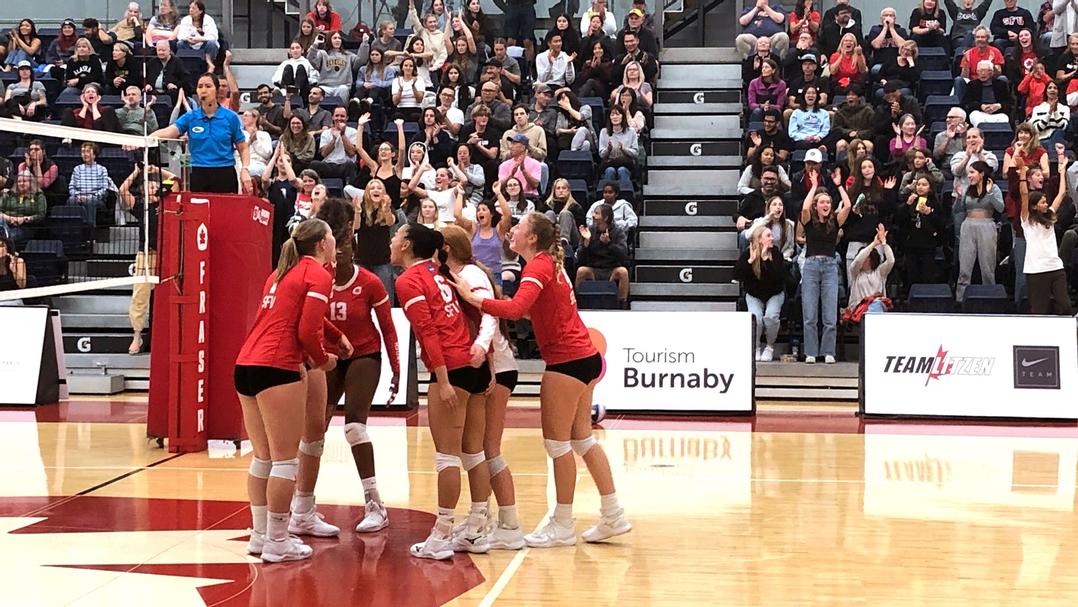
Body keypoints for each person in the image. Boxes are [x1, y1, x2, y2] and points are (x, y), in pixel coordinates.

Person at [452, 211, 631, 547]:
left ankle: (563, 524)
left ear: (532, 237)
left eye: (518, 227)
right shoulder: (549, 263)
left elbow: (517, 310)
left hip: (567, 361)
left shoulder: (538, 266)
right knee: (582, 440)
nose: (512, 230)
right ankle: (613, 513)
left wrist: (474, 299)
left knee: (557, 444)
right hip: (585, 357)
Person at [235, 218, 337, 563]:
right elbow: (308, 331)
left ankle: (260, 534)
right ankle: (279, 540)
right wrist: (323, 361)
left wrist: (337, 337)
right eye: (333, 237)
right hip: (277, 365)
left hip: (246, 363)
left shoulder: (280, 273)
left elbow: (298, 317)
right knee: (284, 460)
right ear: (323, 243)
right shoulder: (318, 274)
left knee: (262, 457)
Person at [390, 223, 493, 559]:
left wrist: (443, 379)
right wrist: (486, 358)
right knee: (473, 452)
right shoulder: (440, 271)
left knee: (446, 456)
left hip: (451, 367)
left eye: (396, 236)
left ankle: (441, 535)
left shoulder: (409, 281)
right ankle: (477, 527)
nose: (391, 241)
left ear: (406, 244)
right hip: (473, 363)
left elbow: (428, 332)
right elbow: (471, 316)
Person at [151, 72, 253, 194]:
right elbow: (169, 132)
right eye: (200, 86)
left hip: (224, 173)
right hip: (199, 173)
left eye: (208, 86)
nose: (203, 90)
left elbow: (243, 148)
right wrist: (146, 139)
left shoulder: (230, 117)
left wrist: (245, 169)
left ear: (216, 90)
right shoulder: (191, 117)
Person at [118, 163, 175, 354]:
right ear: (143, 191)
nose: (153, 188)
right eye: (149, 186)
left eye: (155, 186)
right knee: (140, 296)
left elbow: (176, 179)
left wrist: (155, 170)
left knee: (169, 293)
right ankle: (137, 336)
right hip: (146, 256)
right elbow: (122, 190)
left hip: (166, 255)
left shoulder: (165, 202)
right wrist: (136, 171)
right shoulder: (140, 206)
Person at [800, 171, 851, 364]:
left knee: (830, 314)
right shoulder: (809, 221)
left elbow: (847, 206)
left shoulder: (835, 221)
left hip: (830, 266)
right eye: (822, 202)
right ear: (816, 205)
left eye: (828, 203)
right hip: (811, 265)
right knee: (810, 313)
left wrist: (839, 186)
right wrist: (814, 187)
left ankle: (828, 351)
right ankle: (811, 352)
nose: (826, 205)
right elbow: (805, 208)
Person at [1015, 152, 1073, 314]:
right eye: (1042, 202)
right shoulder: (1026, 220)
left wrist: (1062, 171)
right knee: (1039, 310)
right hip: (1036, 270)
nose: (1046, 204)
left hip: (1055, 267)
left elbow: (1061, 194)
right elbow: (1024, 194)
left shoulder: (1050, 215)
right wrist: (1022, 172)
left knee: (1065, 305)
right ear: (1034, 206)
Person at [734, 222, 787, 362]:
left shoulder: (776, 254)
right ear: (759, 239)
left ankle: (769, 346)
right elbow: (737, 276)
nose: (772, 239)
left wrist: (766, 260)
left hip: (774, 292)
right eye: (768, 236)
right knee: (756, 318)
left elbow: (779, 278)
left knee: (770, 317)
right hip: (754, 293)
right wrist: (750, 262)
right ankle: (756, 348)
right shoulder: (748, 253)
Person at [955, 160, 1004, 301]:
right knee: (964, 266)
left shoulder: (993, 188)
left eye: (972, 172)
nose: (969, 176)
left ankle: (990, 298)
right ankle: (960, 299)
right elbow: (958, 211)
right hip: (968, 225)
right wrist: (958, 198)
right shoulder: (967, 189)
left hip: (987, 225)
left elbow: (1000, 208)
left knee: (987, 266)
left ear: (981, 174)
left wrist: (988, 194)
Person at [575, 203, 631, 305]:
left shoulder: (618, 232)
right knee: (581, 271)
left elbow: (623, 255)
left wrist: (609, 243)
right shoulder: (589, 231)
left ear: (605, 218)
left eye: (596, 213)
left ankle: (622, 303)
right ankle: (578, 303)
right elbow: (579, 258)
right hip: (594, 268)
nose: (593, 216)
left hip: (611, 268)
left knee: (623, 272)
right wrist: (586, 242)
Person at [896, 176, 945, 287]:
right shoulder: (910, 201)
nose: (920, 187)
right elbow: (898, 220)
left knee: (927, 275)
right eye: (918, 185)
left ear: (930, 187)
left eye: (924, 185)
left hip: (928, 245)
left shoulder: (935, 203)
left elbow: (941, 225)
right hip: (911, 244)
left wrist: (930, 213)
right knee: (912, 275)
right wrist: (907, 205)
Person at [846, 224, 895, 318]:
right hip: (859, 310)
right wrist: (874, 244)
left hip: (877, 308)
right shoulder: (855, 272)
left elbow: (891, 260)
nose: (863, 260)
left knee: (876, 304)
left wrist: (883, 243)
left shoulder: (880, 272)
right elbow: (858, 260)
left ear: (872, 259)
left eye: (866, 258)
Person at [0, 171, 46, 247]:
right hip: (5, 223)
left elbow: (41, 215)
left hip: (26, 227)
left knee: (8, 237)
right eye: (19, 181)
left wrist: (25, 219)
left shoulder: (38, 195)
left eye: (24, 181)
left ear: (31, 182)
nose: (21, 184)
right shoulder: (9, 194)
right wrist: (9, 218)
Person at [962, 60, 1014, 126]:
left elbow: (1010, 102)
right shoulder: (972, 85)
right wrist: (981, 106)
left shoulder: (1001, 84)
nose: (982, 73)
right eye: (980, 71)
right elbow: (966, 103)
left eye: (985, 70)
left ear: (991, 72)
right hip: (979, 112)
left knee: (1004, 119)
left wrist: (998, 105)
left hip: (998, 113)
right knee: (975, 116)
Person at [598, 106, 639, 185]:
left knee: (622, 170)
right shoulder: (604, 132)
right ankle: (608, 194)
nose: (615, 117)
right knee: (610, 171)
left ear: (623, 116)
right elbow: (601, 154)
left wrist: (624, 149)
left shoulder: (631, 131)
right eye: (612, 115)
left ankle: (626, 193)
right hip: (609, 163)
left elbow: (636, 153)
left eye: (617, 114)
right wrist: (608, 149)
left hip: (626, 164)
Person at [178, 1, 221, 71]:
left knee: (212, 44)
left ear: (200, 11)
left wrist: (200, 39)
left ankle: (209, 65)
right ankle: (186, 67)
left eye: (194, 8)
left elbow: (213, 37)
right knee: (180, 43)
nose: (191, 10)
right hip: (190, 47)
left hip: (203, 46)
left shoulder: (208, 20)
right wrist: (187, 39)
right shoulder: (185, 20)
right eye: (190, 8)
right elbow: (180, 35)